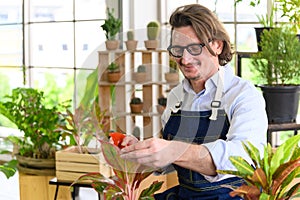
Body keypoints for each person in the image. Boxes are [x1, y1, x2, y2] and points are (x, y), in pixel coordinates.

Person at [120, 4, 268, 199]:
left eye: (194, 48)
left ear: (217, 45)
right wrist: (142, 151)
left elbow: (240, 159)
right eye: (178, 50)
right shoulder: (176, 97)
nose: (185, 59)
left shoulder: (243, 95)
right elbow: (167, 163)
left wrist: (173, 150)